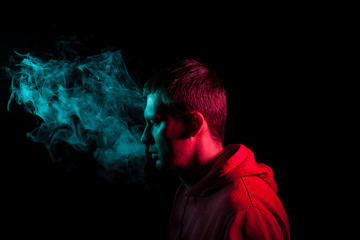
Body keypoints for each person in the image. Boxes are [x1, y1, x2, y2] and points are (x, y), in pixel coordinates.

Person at [141, 58, 290, 240]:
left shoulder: (246, 212)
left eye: (155, 122)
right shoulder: (189, 190)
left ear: (193, 125)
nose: (144, 137)